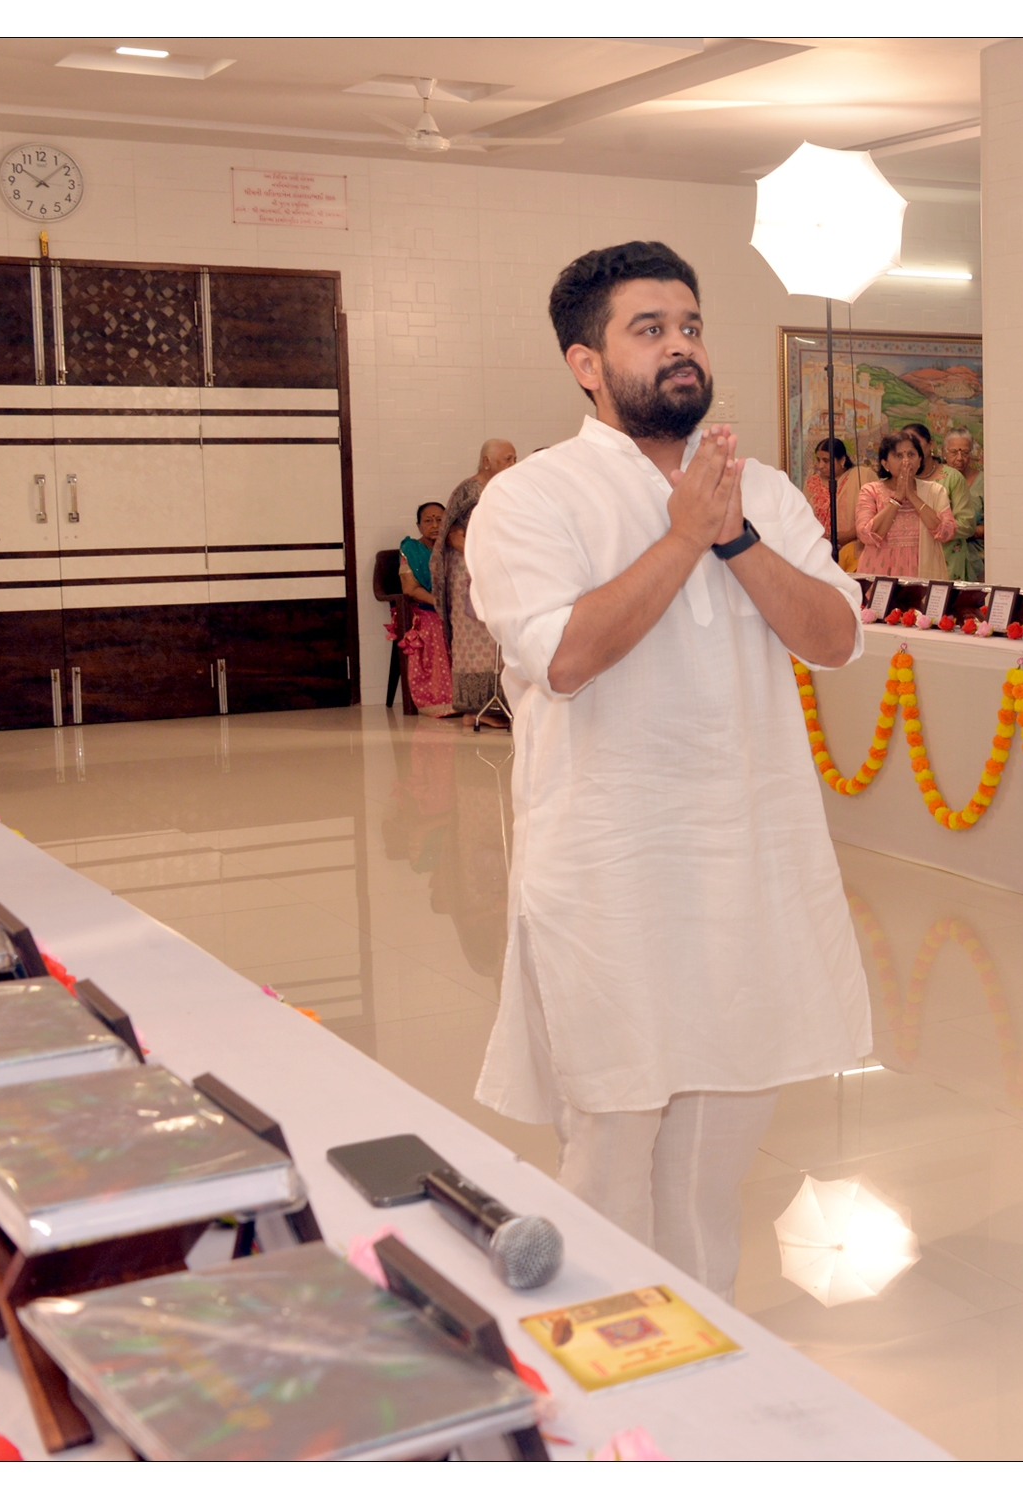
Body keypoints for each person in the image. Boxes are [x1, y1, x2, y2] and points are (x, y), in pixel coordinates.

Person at [463, 241, 869, 1301]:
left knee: (712, 1167)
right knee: (610, 1155)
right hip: (611, 879)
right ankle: (604, 1356)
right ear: (585, 363)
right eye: (649, 330)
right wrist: (685, 537)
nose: (681, 346)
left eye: (690, 326)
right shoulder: (530, 499)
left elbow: (834, 638)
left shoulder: (761, 491)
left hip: (748, 869)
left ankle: (706, 1352)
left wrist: (735, 540)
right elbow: (564, 658)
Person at [433, 486, 509, 729]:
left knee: (499, 644)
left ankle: (500, 706)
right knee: (473, 646)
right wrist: (485, 558)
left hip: (493, 575)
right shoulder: (468, 492)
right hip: (468, 575)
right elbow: (454, 537)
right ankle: (475, 710)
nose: (509, 466)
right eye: (506, 462)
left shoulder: (504, 487)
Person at [855, 431, 955, 578]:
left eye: (911, 454)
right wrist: (897, 498)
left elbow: (946, 532)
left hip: (923, 572)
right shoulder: (870, 491)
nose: (906, 461)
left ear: (920, 460)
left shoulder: (935, 491)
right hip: (879, 572)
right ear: (885, 463)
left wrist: (912, 496)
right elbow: (866, 534)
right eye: (898, 456)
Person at [398, 502, 455, 715]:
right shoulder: (410, 550)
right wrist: (440, 604)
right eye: (428, 521)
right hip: (423, 607)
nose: (435, 525)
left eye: (440, 520)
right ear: (419, 526)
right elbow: (411, 589)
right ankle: (441, 700)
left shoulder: (455, 547)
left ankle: (476, 697)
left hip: (455, 605)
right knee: (436, 625)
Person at [905, 422, 979, 578]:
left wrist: (937, 527)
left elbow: (967, 525)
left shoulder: (952, 477)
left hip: (946, 560)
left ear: (931, 444)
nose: (911, 452)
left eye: (916, 444)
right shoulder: (900, 481)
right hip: (908, 561)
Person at [941, 427, 985, 582]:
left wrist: (968, 529)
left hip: (977, 559)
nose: (960, 458)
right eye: (954, 452)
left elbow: (996, 527)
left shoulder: (984, 482)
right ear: (944, 453)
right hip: (944, 558)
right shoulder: (938, 479)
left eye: (965, 452)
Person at [447, 438, 518, 520]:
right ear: (486, 461)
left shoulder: (506, 487)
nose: (513, 464)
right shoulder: (471, 489)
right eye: (508, 459)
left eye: (515, 460)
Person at [804, 437, 854, 546]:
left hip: (852, 547)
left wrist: (850, 535)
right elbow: (803, 519)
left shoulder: (860, 478)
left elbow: (873, 517)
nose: (820, 466)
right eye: (818, 460)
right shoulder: (812, 483)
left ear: (842, 460)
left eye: (826, 461)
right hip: (819, 547)